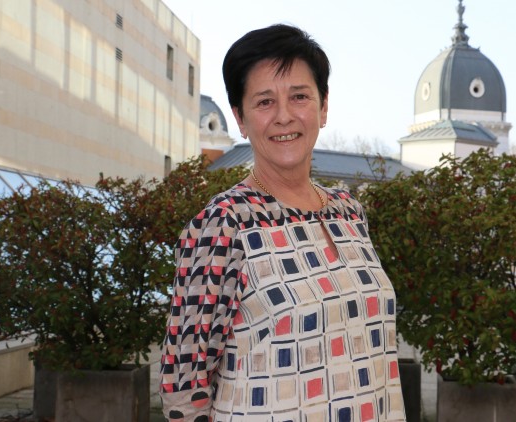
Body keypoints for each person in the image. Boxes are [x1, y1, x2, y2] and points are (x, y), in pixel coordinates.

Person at [160, 24, 406, 421]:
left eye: (299, 96)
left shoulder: (349, 212)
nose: (284, 116)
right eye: (264, 102)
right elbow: (184, 384)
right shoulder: (224, 223)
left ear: (323, 107)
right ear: (240, 119)